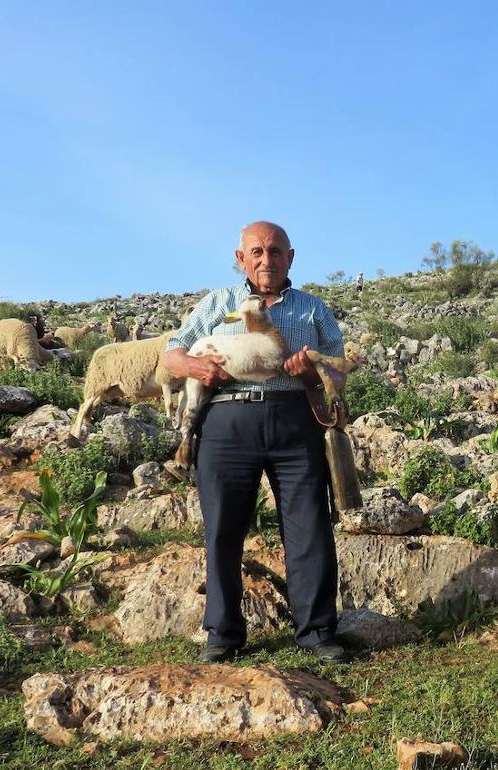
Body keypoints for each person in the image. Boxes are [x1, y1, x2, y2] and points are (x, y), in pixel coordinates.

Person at [163, 221, 349, 664]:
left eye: (276, 251)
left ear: (290, 257)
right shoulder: (218, 304)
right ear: (241, 259)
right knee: (223, 528)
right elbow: (172, 353)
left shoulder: (312, 310)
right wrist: (195, 368)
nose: (267, 260)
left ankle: (317, 631)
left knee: (309, 526)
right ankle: (223, 634)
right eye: (257, 252)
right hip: (227, 421)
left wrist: (313, 373)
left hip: (295, 419)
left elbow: (338, 369)